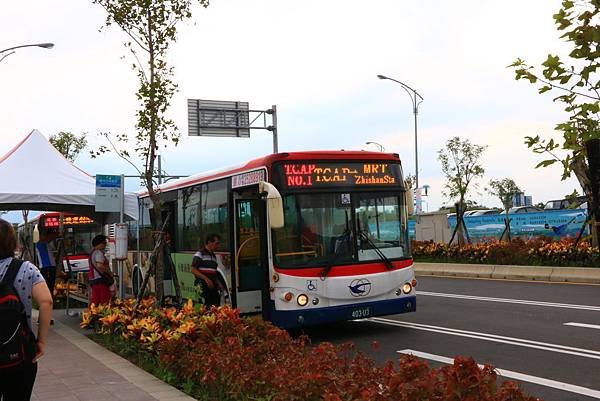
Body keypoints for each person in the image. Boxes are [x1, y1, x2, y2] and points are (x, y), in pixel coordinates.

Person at [0, 218, 53, 401]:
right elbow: (46, 301)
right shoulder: (26, 269)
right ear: (12, 242)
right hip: (20, 352)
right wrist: (41, 341)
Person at [191, 234, 223, 307]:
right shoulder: (200, 254)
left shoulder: (213, 256)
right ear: (209, 242)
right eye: (216, 243)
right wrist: (206, 279)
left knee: (216, 304)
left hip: (212, 284)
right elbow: (193, 270)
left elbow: (213, 273)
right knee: (205, 306)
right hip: (202, 284)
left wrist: (219, 284)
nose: (218, 246)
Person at [88, 234, 113, 305]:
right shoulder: (99, 253)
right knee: (104, 302)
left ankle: (95, 315)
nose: (105, 245)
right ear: (99, 243)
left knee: (96, 302)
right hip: (101, 281)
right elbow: (100, 266)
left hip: (94, 280)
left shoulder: (92, 253)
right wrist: (110, 272)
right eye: (104, 243)